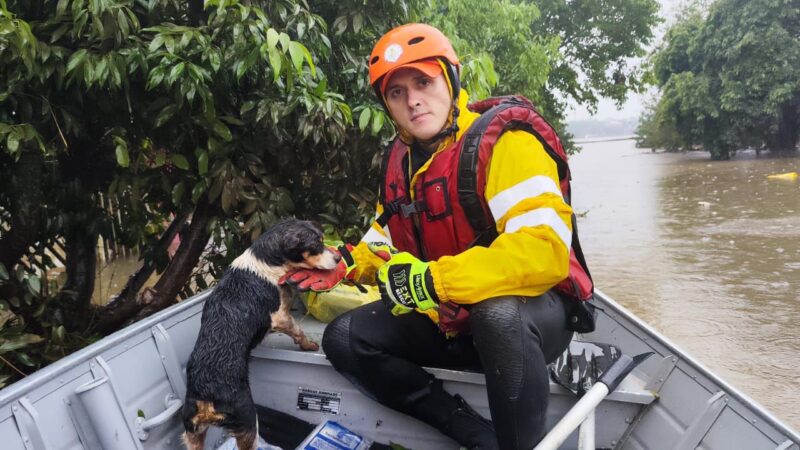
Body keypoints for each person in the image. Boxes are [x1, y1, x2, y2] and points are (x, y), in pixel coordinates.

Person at [282, 23, 594, 449]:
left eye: (423, 82)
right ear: (387, 105)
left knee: (497, 314)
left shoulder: (507, 143)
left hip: (530, 323)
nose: (412, 100)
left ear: (450, 79)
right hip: (451, 319)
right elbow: (385, 237)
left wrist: (433, 281)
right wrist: (349, 264)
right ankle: (474, 435)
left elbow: (542, 252)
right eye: (396, 92)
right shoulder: (400, 162)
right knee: (345, 338)